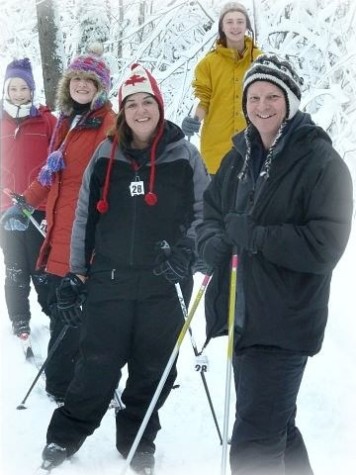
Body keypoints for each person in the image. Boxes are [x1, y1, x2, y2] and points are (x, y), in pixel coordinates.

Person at [39, 63, 210, 474]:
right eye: (131, 103)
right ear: (123, 110)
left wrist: (187, 253)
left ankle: (137, 438)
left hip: (165, 282)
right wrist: (77, 273)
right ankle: (65, 435)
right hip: (109, 280)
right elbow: (85, 217)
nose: (140, 110)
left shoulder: (185, 154)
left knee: (154, 368)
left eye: (147, 101)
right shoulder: (105, 153)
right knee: (95, 363)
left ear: (160, 106)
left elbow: (205, 214)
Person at [196, 54, 353, 475]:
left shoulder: (321, 162)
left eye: (272, 96)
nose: (262, 106)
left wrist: (258, 236)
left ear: (291, 101)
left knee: (253, 448)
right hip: (242, 315)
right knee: (275, 428)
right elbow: (209, 212)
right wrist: (211, 242)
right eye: (254, 97)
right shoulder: (239, 155)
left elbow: (327, 244)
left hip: (284, 321)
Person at [1, 44, 115, 403]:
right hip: (58, 225)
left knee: (78, 308)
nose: (81, 85)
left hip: (86, 229)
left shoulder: (108, 123)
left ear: (100, 87)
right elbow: (51, 174)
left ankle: (81, 378)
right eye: (76, 78)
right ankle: (62, 382)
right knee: (61, 304)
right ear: (68, 84)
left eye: (89, 80)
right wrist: (25, 206)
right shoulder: (68, 122)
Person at [0, 58, 56, 338]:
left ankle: (53, 311)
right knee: (14, 268)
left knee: (41, 265)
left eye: (24, 88)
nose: (19, 93)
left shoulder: (46, 120)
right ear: (6, 90)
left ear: (32, 90)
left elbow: (59, 158)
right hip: (7, 209)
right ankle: (19, 319)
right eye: (14, 88)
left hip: (39, 207)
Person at [181, 2, 262, 175]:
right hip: (216, 151)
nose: (235, 26)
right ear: (222, 27)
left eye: (240, 21)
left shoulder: (259, 60)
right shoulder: (208, 64)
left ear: (246, 25)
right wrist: (194, 120)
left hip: (254, 148)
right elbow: (203, 99)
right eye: (230, 21)